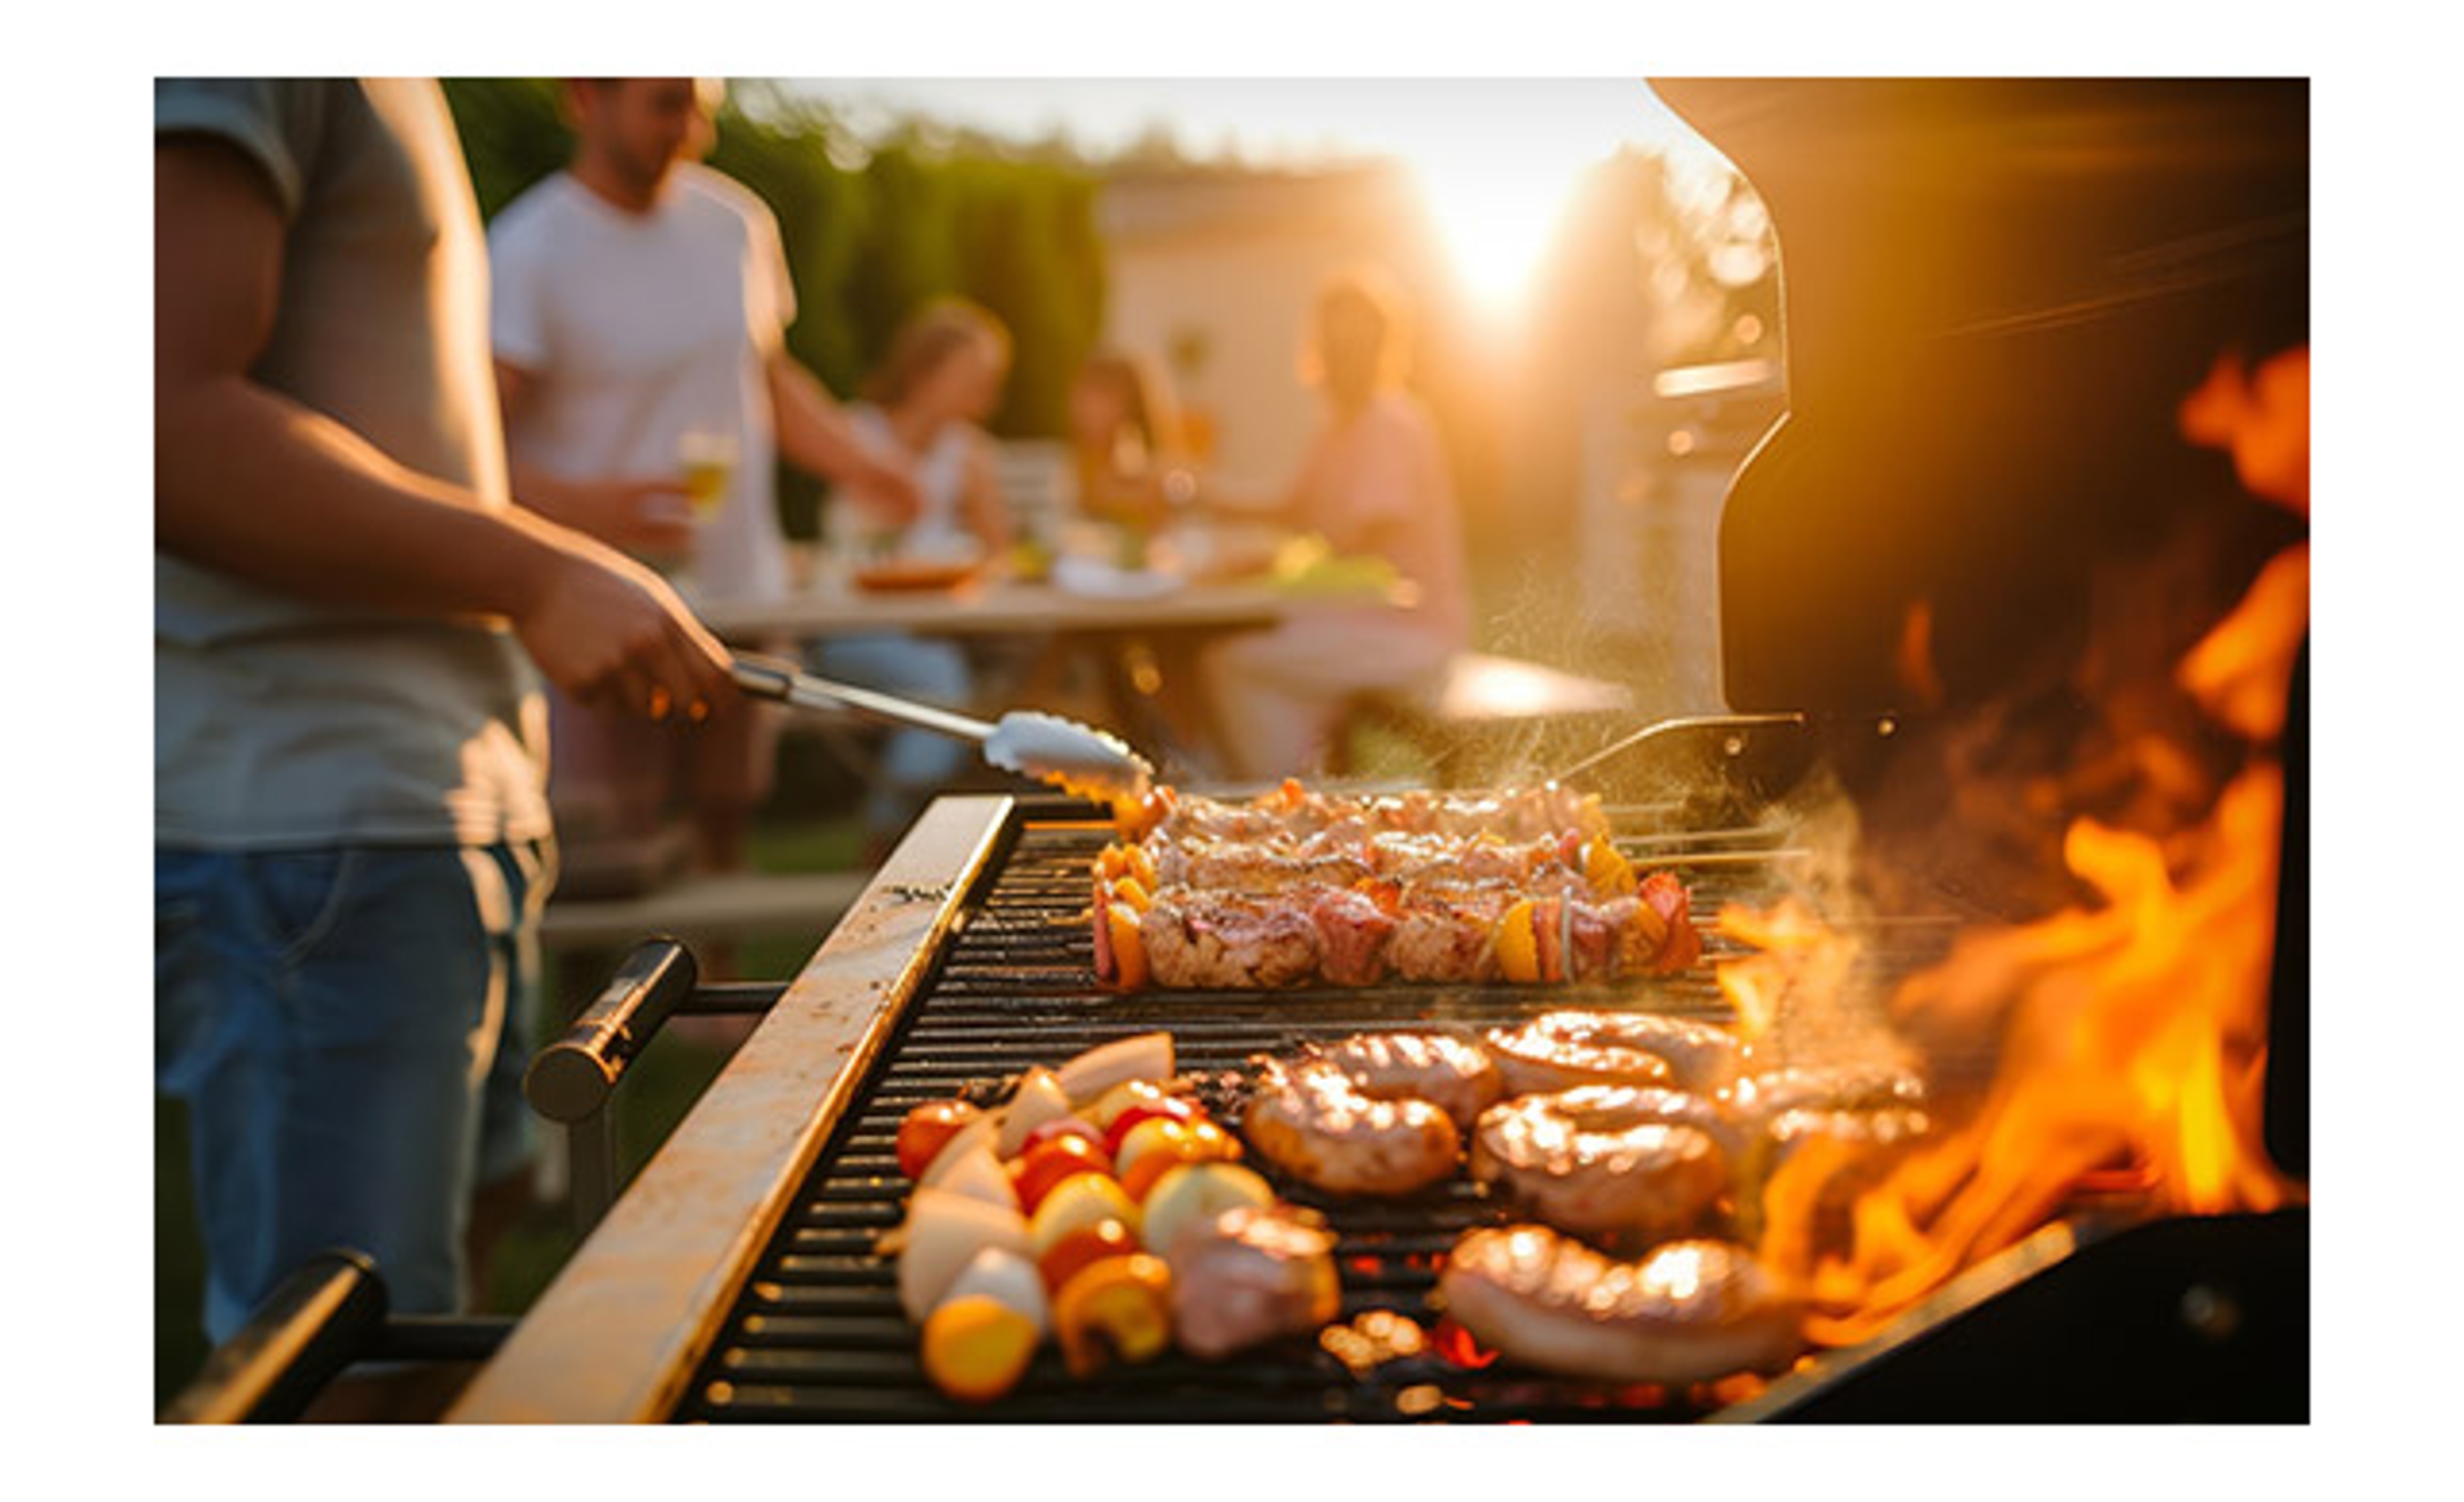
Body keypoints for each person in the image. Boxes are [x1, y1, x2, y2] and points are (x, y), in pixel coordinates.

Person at [155, 78, 738, 1354]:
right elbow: (153, 420)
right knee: (344, 1379)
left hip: (430, 801)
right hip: (316, 825)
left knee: (440, 1334)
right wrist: (538, 569)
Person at [488, 77, 921, 885]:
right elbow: (472, 437)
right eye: (665, 104)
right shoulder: (527, 249)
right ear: (586, 97)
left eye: (701, 108)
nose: (691, 131)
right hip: (606, 609)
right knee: (611, 862)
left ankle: (727, 1015)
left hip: (740, 595)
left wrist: (863, 462)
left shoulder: (737, 225)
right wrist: (586, 506)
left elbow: (765, 378)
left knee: (728, 841)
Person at [1200, 266, 1472, 779]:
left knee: (1234, 662)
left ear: (1382, 349)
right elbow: (1291, 509)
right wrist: (1201, 495)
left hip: (1410, 633)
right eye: (1335, 343)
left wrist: (1268, 565)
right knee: (1247, 655)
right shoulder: (1339, 428)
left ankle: (1280, 793)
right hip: (1358, 624)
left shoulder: (1388, 425)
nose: (1344, 356)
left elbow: (1359, 544)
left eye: (1357, 344)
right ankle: (1288, 784)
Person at [814, 299, 1015, 850]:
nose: (984, 393)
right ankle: (886, 838)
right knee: (939, 687)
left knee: (950, 678)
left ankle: (904, 840)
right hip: (856, 628)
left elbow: (1000, 554)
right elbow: (848, 545)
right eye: (971, 377)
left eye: (988, 379)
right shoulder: (857, 435)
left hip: (942, 627)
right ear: (927, 372)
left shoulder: (969, 452)